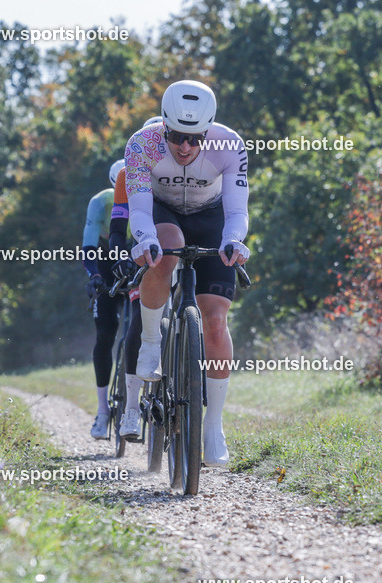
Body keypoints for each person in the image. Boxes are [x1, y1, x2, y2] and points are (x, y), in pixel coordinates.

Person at [124, 81, 250, 467]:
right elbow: (140, 211)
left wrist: (232, 241)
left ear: (208, 131)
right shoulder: (141, 144)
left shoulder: (229, 145)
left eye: (195, 138)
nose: (184, 147)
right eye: (176, 136)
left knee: (215, 322)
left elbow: (237, 211)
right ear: (163, 126)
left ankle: (213, 425)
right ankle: (150, 341)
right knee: (167, 245)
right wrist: (145, 239)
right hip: (161, 214)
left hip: (211, 218)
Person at [108, 116, 164, 440]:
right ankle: (131, 409)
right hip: (143, 251)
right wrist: (119, 259)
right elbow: (117, 230)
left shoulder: (187, 174)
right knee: (138, 325)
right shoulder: (128, 175)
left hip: (175, 249)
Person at [82, 159, 126, 439]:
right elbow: (88, 244)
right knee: (105, 333)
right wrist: (94, 275)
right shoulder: (100, 202)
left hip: (134, 256)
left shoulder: (147, 196)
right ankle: (102, 410)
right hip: (107, 262)